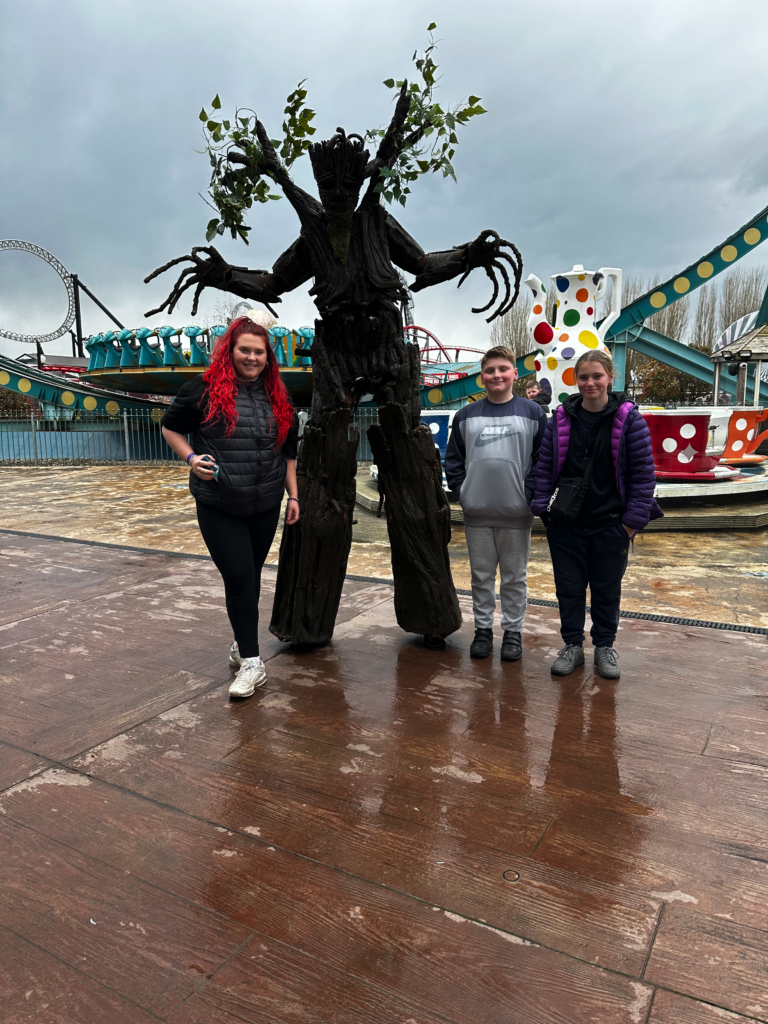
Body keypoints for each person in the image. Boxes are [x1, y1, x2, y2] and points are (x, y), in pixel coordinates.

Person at [161, 316, 300, 699]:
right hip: (220, 500)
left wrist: (294, 496)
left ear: (267, 357)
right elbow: (170, 427)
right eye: (245, 350)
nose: (252, 358)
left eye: (259, 352)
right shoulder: (203, 390)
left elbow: (288, 451)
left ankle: (241, 645)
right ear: (230, 351)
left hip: (266, 502)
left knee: (250, 577)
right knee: (239, 577)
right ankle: (253, 664)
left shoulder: (279, 397)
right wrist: (191, 459)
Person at [530, 350, 663, 679]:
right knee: (569, 588)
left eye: (597, 376)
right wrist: (543, 510)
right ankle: (572, 645)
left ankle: (604, 645)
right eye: (584, 377)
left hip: (610, 524)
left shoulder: (629, 419)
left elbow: (644, 475)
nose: (590, 383)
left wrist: (630, 525)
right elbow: (544, 467)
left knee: (606, 589)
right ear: (576, 380)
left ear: (610, 377)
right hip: (566, 525)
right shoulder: (560, 418)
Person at [445, 345, 546, 661]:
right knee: (481, 577)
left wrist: (530, 495)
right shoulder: (465, 415)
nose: (496, 375)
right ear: (482, 376)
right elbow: (454, 460)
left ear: (515, 374)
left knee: (515, 578)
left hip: (517, 512)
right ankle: (483, 631)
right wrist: (464, 492)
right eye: (490, 370)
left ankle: (513, 633)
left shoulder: (533, 413)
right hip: (477, 513)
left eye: (503, 369)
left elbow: (543, 459)